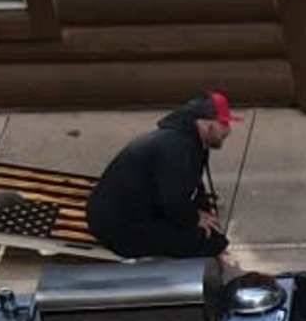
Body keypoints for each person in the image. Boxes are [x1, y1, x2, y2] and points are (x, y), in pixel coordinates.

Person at [83, 91, 234, 263]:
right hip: (119, 228)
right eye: (223, 123)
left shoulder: (188, 142)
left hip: (130, 211)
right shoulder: (177, 150)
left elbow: (193, 185)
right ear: (205, 122)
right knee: (204, 240)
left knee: (208, 230)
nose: (228, 130)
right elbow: (173, 201)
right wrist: (196, 219)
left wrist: (204, 212)